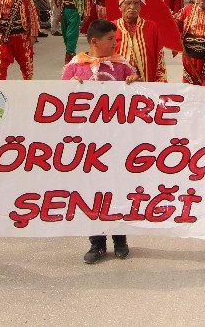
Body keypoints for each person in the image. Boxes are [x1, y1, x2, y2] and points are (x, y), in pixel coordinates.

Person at [62, 19, 139, 263]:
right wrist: (68, 89)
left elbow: (139, 96)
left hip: (117, 141)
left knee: (117, 188)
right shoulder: (75, 67)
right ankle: (96, 242)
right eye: (110, 40)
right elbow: (58, 102)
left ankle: (120, 238)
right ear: (94, 42)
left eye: (115, 39)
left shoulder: (122, 66)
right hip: (87, 144)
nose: (115, 43)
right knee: (92, 191)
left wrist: (134, 83)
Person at [112, 0, 167, 83]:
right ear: (120, 6)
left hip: (146, 83)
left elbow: (160, 59)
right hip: (117, 87)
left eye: (136, 3)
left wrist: (161, 87)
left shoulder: (151, 27)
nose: (132, 7)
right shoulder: (111, 27)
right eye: (128, 3)